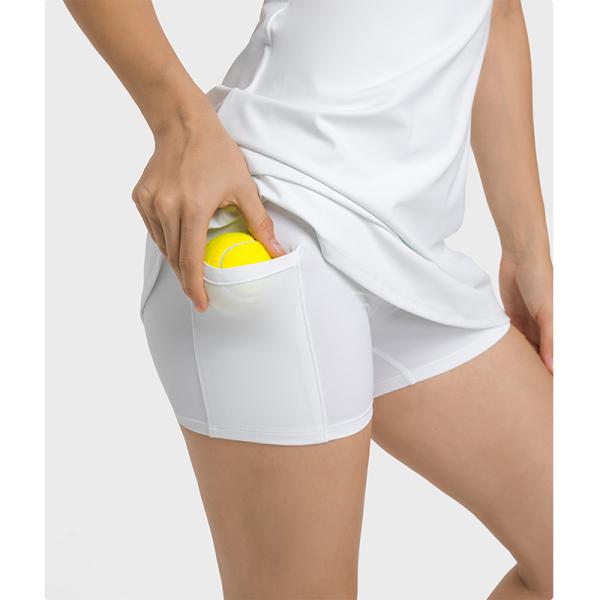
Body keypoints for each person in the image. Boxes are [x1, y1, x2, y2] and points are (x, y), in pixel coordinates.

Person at [64, 1, 553, 598]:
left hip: (412, 256)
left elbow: (498, 11)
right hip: (273, 218)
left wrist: (528, 253)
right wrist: (180, 123)